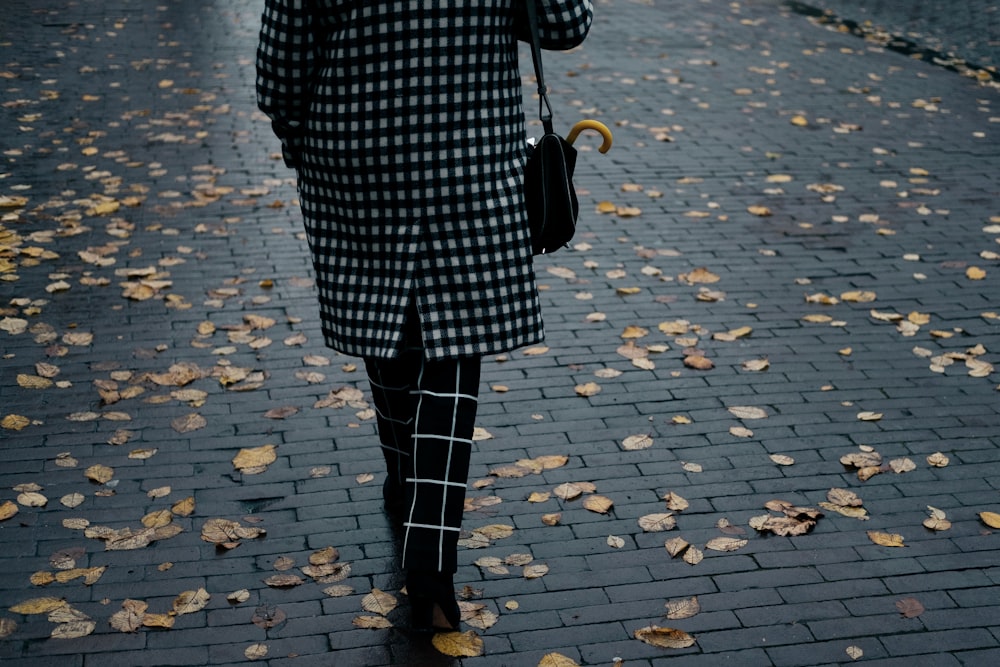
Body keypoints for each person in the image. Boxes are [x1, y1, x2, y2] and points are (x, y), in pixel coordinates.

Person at [256, 0, 593, 633]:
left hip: (356, 162)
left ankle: (402, 476)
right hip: (469, 162)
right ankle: (431, 563)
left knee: (383, 322)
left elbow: (280, 72)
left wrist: (305, 147)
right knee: (455, 355)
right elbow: (564, 25)